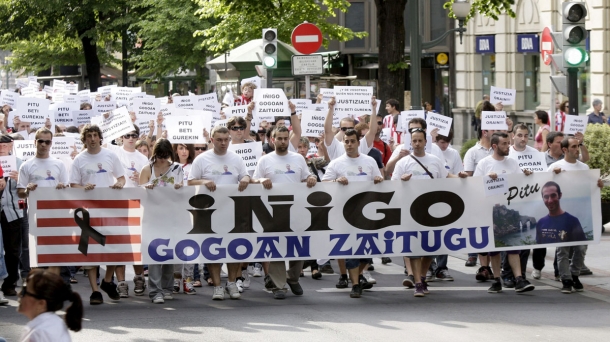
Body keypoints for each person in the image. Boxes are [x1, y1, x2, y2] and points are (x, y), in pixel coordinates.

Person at [391, 128, 467, 296]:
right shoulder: (403, 163)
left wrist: (461, 177)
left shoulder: (434, 160)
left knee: (431, 249)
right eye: (414, 141)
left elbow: (446, 177)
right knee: (415, 249)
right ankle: (418, 282)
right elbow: (393, 185)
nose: (417, 144)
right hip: (412, 213)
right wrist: (401, 182)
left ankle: (423, 276)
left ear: (426, 142)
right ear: (411, 143)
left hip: (433, 212)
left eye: (420, 140)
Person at [252, 126, 317, 299]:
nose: (282, 141)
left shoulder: (298, 159)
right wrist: (261, 179)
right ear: (272, 140)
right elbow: (253, 179)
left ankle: (293, 278)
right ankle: (279, 285)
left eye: (285, 138)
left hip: (297, 210)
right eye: (279, 138)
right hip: (273, 211)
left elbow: (306, 177)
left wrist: (311, 178)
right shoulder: (265, 160)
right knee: (277, 247)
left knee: (299, 247)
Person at [188, 126, 250, 301]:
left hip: (233, 211)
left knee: (234, 248)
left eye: (226, 139)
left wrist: (245, 179)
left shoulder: (236, 159)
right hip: (209, 213)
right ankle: (217, 286)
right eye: (219, 140)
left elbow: (245, 176)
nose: (223, 143)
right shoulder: (201, 159)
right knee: (213, 249)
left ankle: (231, 283)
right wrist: (204, 181)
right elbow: (190, 181)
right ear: (212, 140)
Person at [322, 127, 383, 298]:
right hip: (345, 214)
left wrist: (378, 180)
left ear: (358, 142)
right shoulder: (336, 163)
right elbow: (324, 183)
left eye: (352, 141)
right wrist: (336, 181)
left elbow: (378, 180)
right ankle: (355, 284)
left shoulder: (369, 161)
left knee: (367, 250)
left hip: (367, 212)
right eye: (346, 142)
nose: (349, 145)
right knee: (350, 250)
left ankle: (360, 275)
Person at [69, 124, 126, 305]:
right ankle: (95, 290)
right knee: (91, 250)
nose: (92, 139)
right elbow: (73, 184)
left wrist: (119, 184)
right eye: (89, 136)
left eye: (95, 135)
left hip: (109, 209)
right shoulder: (79, 159)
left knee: (113, 247)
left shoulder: (110, 155)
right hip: (88, 211)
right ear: (84, 139)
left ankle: (107, 281)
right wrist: (83, 187)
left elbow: (122, 177)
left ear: (100, 137)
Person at [473, 132, 534, 294]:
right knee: (494, 249)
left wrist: (526, 175)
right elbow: (475, 185)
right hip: (491, 211)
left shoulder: (513, 163)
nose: (508, 147)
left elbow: (520, 184)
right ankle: (496, 280)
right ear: (494, 146)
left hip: (509, 210)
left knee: (513, 246)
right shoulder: (484, 164)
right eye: (504, 144)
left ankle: (519, 279)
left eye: (508, 143)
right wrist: (486, 178)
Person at [544, 136, 603, 293]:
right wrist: (552, 176)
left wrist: (598, 185)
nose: (577, 149)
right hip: (561, 215)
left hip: (580, 215)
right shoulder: (555, 167)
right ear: (565, 150)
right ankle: (566, 279)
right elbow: (543, 185)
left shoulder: (583, 168)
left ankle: (574, 273)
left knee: (581, 247)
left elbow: (589, 186)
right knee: (563, 248)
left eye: (578, 146)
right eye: (574, 146)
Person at [17, 128, 69, 280]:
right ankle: (36, 283)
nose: (44, 145)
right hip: (35, 214)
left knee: (57, 248)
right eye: (41, 141)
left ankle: (57, 284)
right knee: (35, 249)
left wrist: (62, 187)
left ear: (51, 143)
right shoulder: (26, 165)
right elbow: (20, 192)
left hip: (57, 213)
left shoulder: (59, 164)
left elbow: (67, 188)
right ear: (35, 142)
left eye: (47, 142)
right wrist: (27, 190)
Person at [104, 126, 149, 298]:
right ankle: (121, 282)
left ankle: (139, 277)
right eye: (127, 135)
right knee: (119, 244)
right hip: (117, 204)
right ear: (121, 137)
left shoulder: (143, 158)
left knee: (136, 244)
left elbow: (149, 183)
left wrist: (141, 179)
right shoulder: (114, 153)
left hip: (137, 204)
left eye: (134, 135)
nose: (131, 138)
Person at [139, 139, 184, 304]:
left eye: (165, 156)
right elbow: (139, 193)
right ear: (154, 154)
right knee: (154, 256)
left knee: (169, 255)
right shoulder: (147, 169)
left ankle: (167, 288)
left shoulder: (177, 169)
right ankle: (155, 291)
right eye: (159, 155)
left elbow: (183, 192)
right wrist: (146, 188)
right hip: (152, 218)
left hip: (171, 217)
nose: (162, 159)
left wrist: (180, 188)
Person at [18, 269, 83, 341]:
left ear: (41, 304)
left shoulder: (38, 333)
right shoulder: (54, 322)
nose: (18, 294)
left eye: (24, 291)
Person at [0, 134, 23, 298]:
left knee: (13, 250)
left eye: (4, 144)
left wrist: (19, 179)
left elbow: (26, 189)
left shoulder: (19, 163)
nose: (1, 147)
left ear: (11, 145)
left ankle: (10, 283)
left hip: (13, 211)